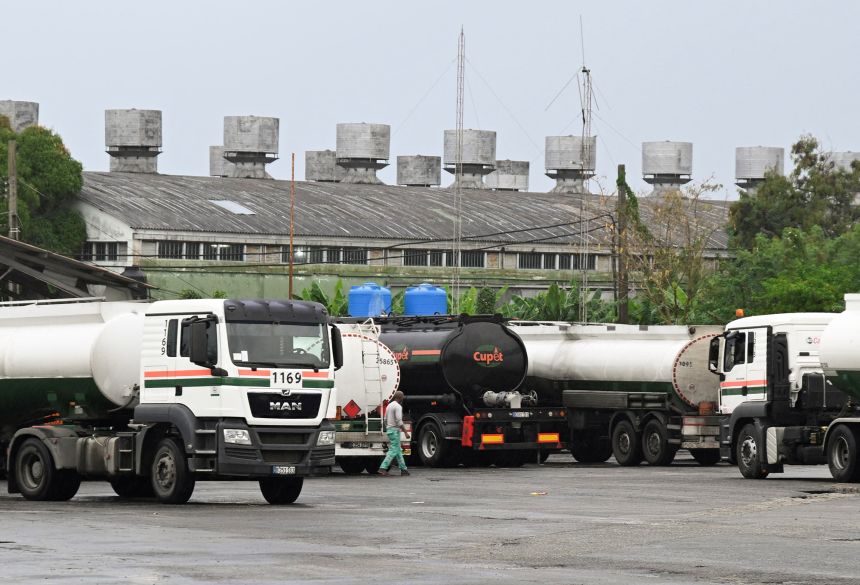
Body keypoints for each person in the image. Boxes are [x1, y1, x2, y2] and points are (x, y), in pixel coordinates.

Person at [378, 391, 410, 476]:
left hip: (390, 430)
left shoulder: (389, 406)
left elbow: (385, 419)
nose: (403, 398)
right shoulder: (398, 406)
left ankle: (404, 469)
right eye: (402, 397)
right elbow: (399, 421)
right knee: (393, 450)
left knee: (398, 450)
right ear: (400, 397)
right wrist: (406, 432)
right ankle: (383, 467)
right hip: (395, 431)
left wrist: (388, 427)